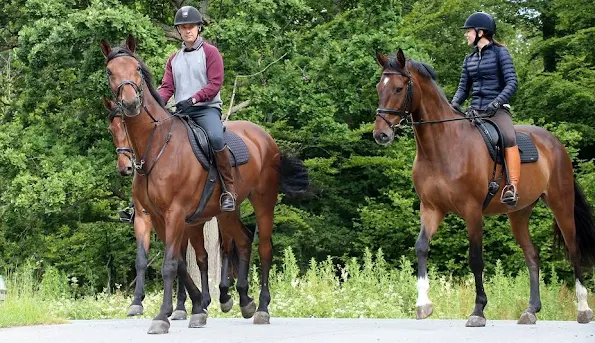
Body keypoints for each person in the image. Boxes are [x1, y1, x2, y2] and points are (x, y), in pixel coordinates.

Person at [158, 6, 236, 211]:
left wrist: (192, 100)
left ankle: (229, 189)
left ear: (199, 28)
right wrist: (156, 102)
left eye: (191, 26)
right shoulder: (173, 59)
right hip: (182, 112)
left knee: (216, 138)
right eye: (183, 28)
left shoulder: (210, 53)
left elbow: (215, 84)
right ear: (179, 31)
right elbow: (167, 88)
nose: (187, 31)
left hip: (206, 109)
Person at [451, 12, 520, 207]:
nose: (466, 35)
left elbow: (512, 82)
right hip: (475, 111)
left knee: (508, 137)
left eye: (468, 31)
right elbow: (463, 88)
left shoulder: (500, 53)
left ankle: (512, 187)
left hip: (498, 111)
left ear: (481, 32)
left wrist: (497, 102)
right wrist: (453, 104)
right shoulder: (469, 59)